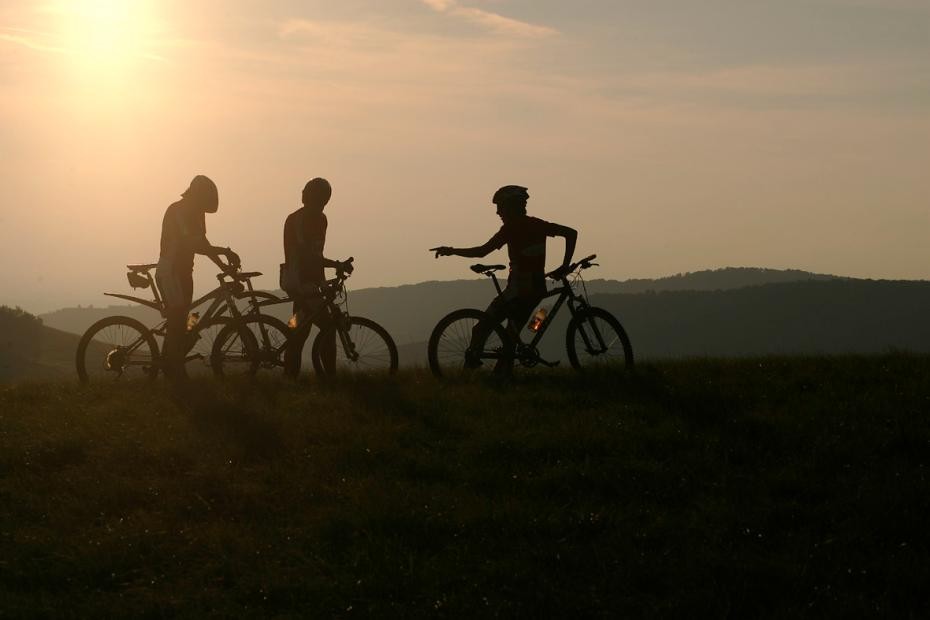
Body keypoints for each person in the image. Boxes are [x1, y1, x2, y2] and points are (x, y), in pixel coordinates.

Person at [431, 185, 577, 369]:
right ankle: (505, 371)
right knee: (514, 334)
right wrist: (565, 264)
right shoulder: (538, 224)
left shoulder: (510, 228)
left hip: (517, 292)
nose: (498, 212)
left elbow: (482, 251)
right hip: (536, 290)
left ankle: (471, 371)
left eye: (500, 207)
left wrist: (452, 251)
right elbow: (571, 233)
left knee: (481, 329)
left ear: (511, 207)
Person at [155, 175, 239, 380]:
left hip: (184, 273)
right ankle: (174, 370)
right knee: (178, 321)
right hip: (171, 271)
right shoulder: (179, 210)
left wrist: (223, 265)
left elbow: (203, 243)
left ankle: (171, 365)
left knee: (186, 320)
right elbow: (193, 244)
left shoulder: (196, 212)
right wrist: (225, 252)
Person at [281, 177, 352, 374]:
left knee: (299, 331)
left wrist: (328, 272)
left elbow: (316, 254)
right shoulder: (298, 219)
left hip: (312, 281)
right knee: (327, 327)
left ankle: (291, 377)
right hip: (300, 280)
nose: (302, 194)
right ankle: (329, 378)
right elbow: (306, 254)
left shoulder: (321, 219)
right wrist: (335, 264)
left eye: (306, 192)